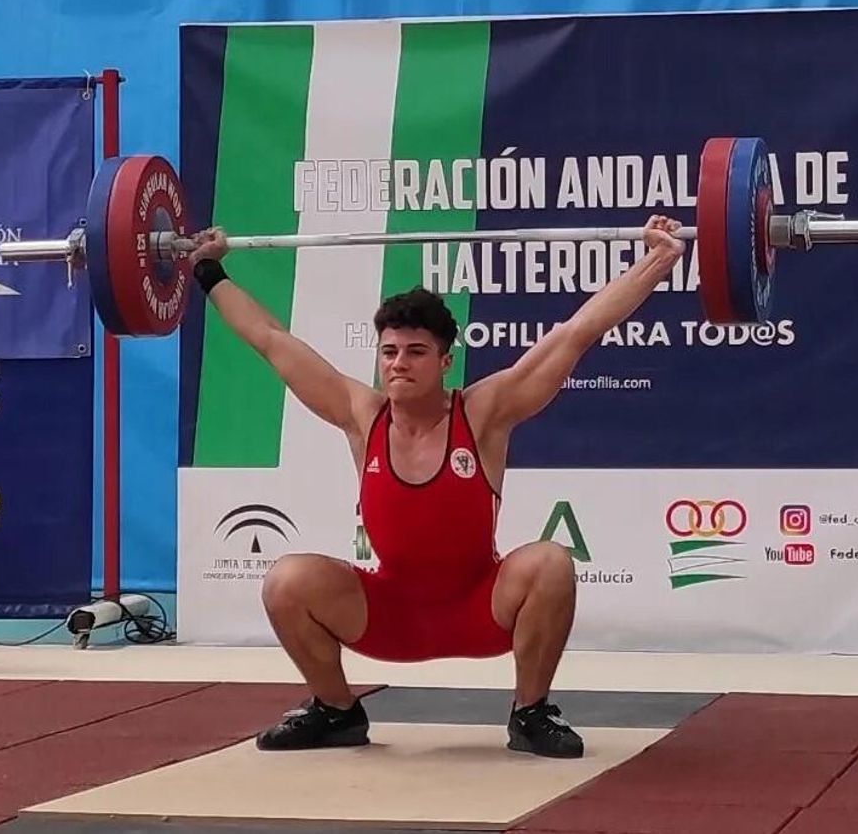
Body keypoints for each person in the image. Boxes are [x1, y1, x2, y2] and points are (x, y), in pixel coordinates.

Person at [185, 215, 687, 759]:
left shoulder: (484, 412)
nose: (399, 364)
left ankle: (531, 712)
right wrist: (210, 272)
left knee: (550, 563)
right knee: (287, 581)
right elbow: (271, 339)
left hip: (481, 606)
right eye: (390, 352)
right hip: (389, 613)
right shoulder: (361, 414)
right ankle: (336, 711)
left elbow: (576, 333)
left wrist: (658, 259)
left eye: (416, 352)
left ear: (446, 361)